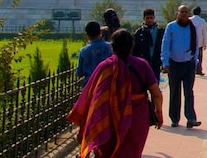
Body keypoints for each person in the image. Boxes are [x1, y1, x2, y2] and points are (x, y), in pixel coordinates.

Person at [67, 29, 164, 157]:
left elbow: (92, 96)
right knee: (131, 152)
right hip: (137, 117)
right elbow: (156, 93)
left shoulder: (104, 67)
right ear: (132, 46)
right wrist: (159, 113)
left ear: (112, 46)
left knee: (106, 152)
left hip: (108, 117)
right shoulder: (142, 65)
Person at [161, 4, 200, 128]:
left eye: (186, 12)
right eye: (181, 12)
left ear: (189, 14)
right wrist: (165, 62)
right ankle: (174, 118)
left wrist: (195, 61)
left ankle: (191, 118)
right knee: (175, 92)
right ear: (177, 13)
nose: (184, 14)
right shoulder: (171, 27)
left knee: (189, 92)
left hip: (189, 64)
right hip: (174, 64)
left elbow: (196, 45)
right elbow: (165, 45)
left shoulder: (193, 28)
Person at [76, 21, 112, 88]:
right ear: (100, 32)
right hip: (107, 85)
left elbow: (79, 72)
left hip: (89, 86)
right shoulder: (111, 48)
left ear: (87, 35)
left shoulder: (84, 51)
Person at [133, 8, 165, 81]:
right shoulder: (139, 33)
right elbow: (135, 49)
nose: (149, 20)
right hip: (142, 64)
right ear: (144, 18)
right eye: (147, 18)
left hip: (155, 63)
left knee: (155, 83)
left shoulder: (160, 32)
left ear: (154, 18)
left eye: (151, 18)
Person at [191, 6, 207, 76]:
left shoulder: (190, 20)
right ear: (200, 12)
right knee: (199, 57)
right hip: (199, 42)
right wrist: (205, 43)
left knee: (191, 56)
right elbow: (204, 33)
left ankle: (192, 70)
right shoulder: (202, 21)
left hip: (191, 42)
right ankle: (198, 70)